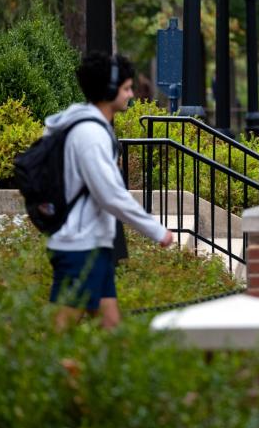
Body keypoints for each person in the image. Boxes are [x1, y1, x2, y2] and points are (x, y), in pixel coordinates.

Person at [43, 52, 174, 330]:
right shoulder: (90, 134)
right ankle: (39, 373)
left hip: (91, 244)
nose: (131, 95)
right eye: (126, 88)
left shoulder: (88, 127)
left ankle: (106, 374)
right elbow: (110, 195)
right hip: (80, 246)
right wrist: (156, 230)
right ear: (109, 90)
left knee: (110, 327)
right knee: (58, 334)